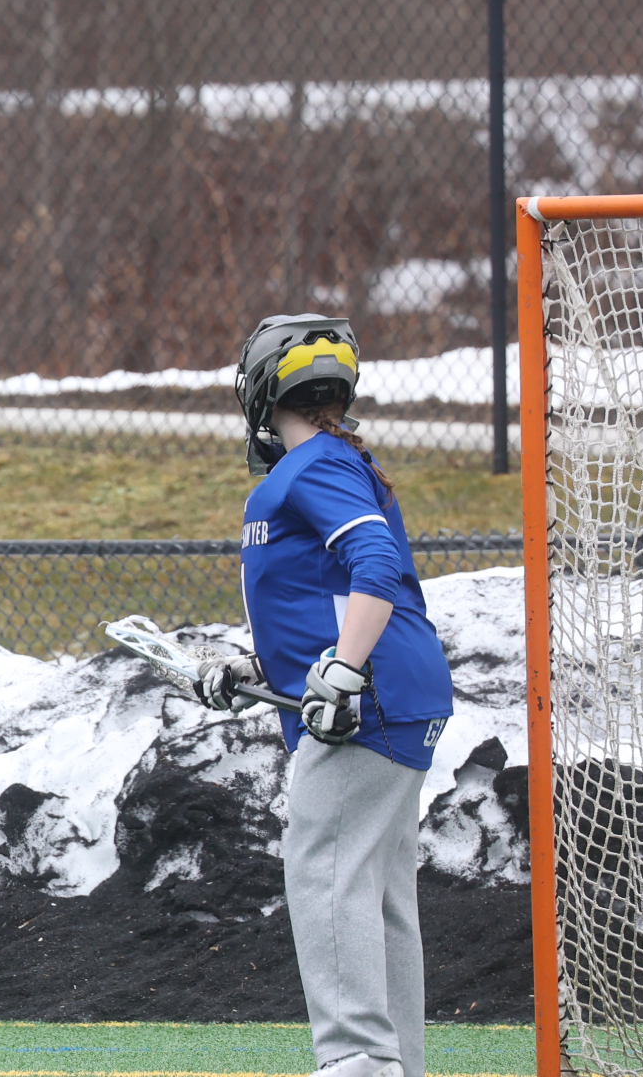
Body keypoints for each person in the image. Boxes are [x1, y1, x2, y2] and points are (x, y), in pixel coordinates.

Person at [193, 315, 453, 1077]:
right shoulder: (338, 463)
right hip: (396, 693)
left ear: (264, 388)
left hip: (367, 703)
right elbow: (332, 595)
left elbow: (375, 570)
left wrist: (342, 672)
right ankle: (394, 1062)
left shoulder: (313, 467)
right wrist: (256, 665)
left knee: (326, 869)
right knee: (375, 891)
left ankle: (358, 1060)